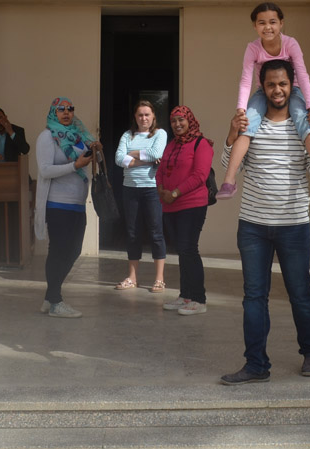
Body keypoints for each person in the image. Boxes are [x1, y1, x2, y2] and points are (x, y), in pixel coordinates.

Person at [219, 59, 310, 384]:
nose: (277, 90)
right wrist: (231, 134)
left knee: (300, 293)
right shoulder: (251, 126)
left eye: (283, 84)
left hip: (294, 226)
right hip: (253, 226)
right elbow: (231, 166)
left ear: (292, 85)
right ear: (262, 87)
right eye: (271, 84)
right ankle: (255, 364)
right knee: (254, 297)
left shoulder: (303, 128)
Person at [217, 2, 310, 203]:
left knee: (305, 125)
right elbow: (246, 79)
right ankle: (229, 180)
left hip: (294, 90)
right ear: (255, 26)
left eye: (273, 22)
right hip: (262, 91)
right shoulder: (252, 48)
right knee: (247, 126)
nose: (268, 27)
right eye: (261, 23)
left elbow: (303, 75)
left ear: (281, 23)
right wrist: (241, 109)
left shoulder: (291, 44)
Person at [34, 96, 101, 318]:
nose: (66, 112)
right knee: (59, 251)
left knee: (73, 251)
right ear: (54, 112)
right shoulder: (47, 137)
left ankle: (50, 296)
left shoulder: (78, 135)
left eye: (70, 109)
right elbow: (44, 170)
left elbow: (86, 159)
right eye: (61, 109)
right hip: (57, 203)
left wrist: (96, 151)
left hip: (77, 204)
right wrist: (75, 165)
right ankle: (55, 301)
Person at [156, 105, 213, 315]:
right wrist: (161, 190)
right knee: (182, 251)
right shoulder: (171, 145)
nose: (177, 124)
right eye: (173, 121)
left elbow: (200, 176)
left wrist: (176, 193)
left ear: (190, 121)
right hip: (170, 205)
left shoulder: (202, 144)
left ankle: (199, 299)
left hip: (192, 205)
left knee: (189, 249)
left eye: (181, 120)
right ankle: (185, 296)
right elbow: (160, 170)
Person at [114, 101, 168, 292]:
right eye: (140, 115)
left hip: (152, 189)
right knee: (132, 233)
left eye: (147, 115)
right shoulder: (127, 135)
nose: (143, 118)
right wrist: (146, 160)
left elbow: (157, 153)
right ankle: (132, 277)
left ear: (153, 116)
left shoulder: (160, 134)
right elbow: (119, 159)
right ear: (135, 117)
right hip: (130, 189)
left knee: (156, 232)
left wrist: (133, 154)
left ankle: (159, 279)